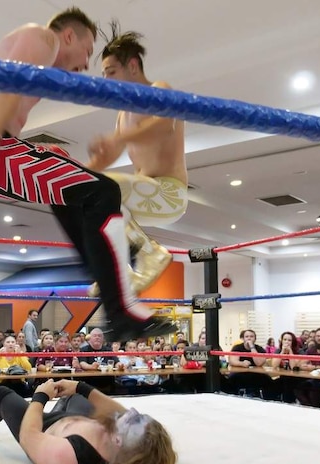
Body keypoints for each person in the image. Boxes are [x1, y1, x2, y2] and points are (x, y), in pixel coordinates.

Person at [0, 7, 176, 343]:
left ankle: (101, 274)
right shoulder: (42, 38)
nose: (86, 63)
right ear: (68, 36)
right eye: (88, 50)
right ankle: (121, 309)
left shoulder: (2, 57)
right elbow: (11, 85)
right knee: (103, 191)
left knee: (67, 175)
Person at [85, 23, 187, 296]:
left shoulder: (159, 88)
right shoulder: (123, 113)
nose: (106, 80)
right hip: (145, 194)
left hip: (169, 193)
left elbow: (164, 125)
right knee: (88, 196)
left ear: (132, 66)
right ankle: (121, 273)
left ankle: (150, 253)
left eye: (111, 72)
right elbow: (109, 158)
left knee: (108, 188)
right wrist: (78, 176)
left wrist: (119, 138)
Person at [0, 379, 176, 464]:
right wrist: (81, 387)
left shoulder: (74, 459)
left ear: (118, 440)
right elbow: (120, 412)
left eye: (133, 420)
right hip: (73, 419)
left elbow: (29, 437)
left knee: (1, 394)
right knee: (77, 396)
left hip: (44, 427)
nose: (129, 413)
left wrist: (40, 397)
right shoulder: (129, 450)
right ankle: (68, 400)